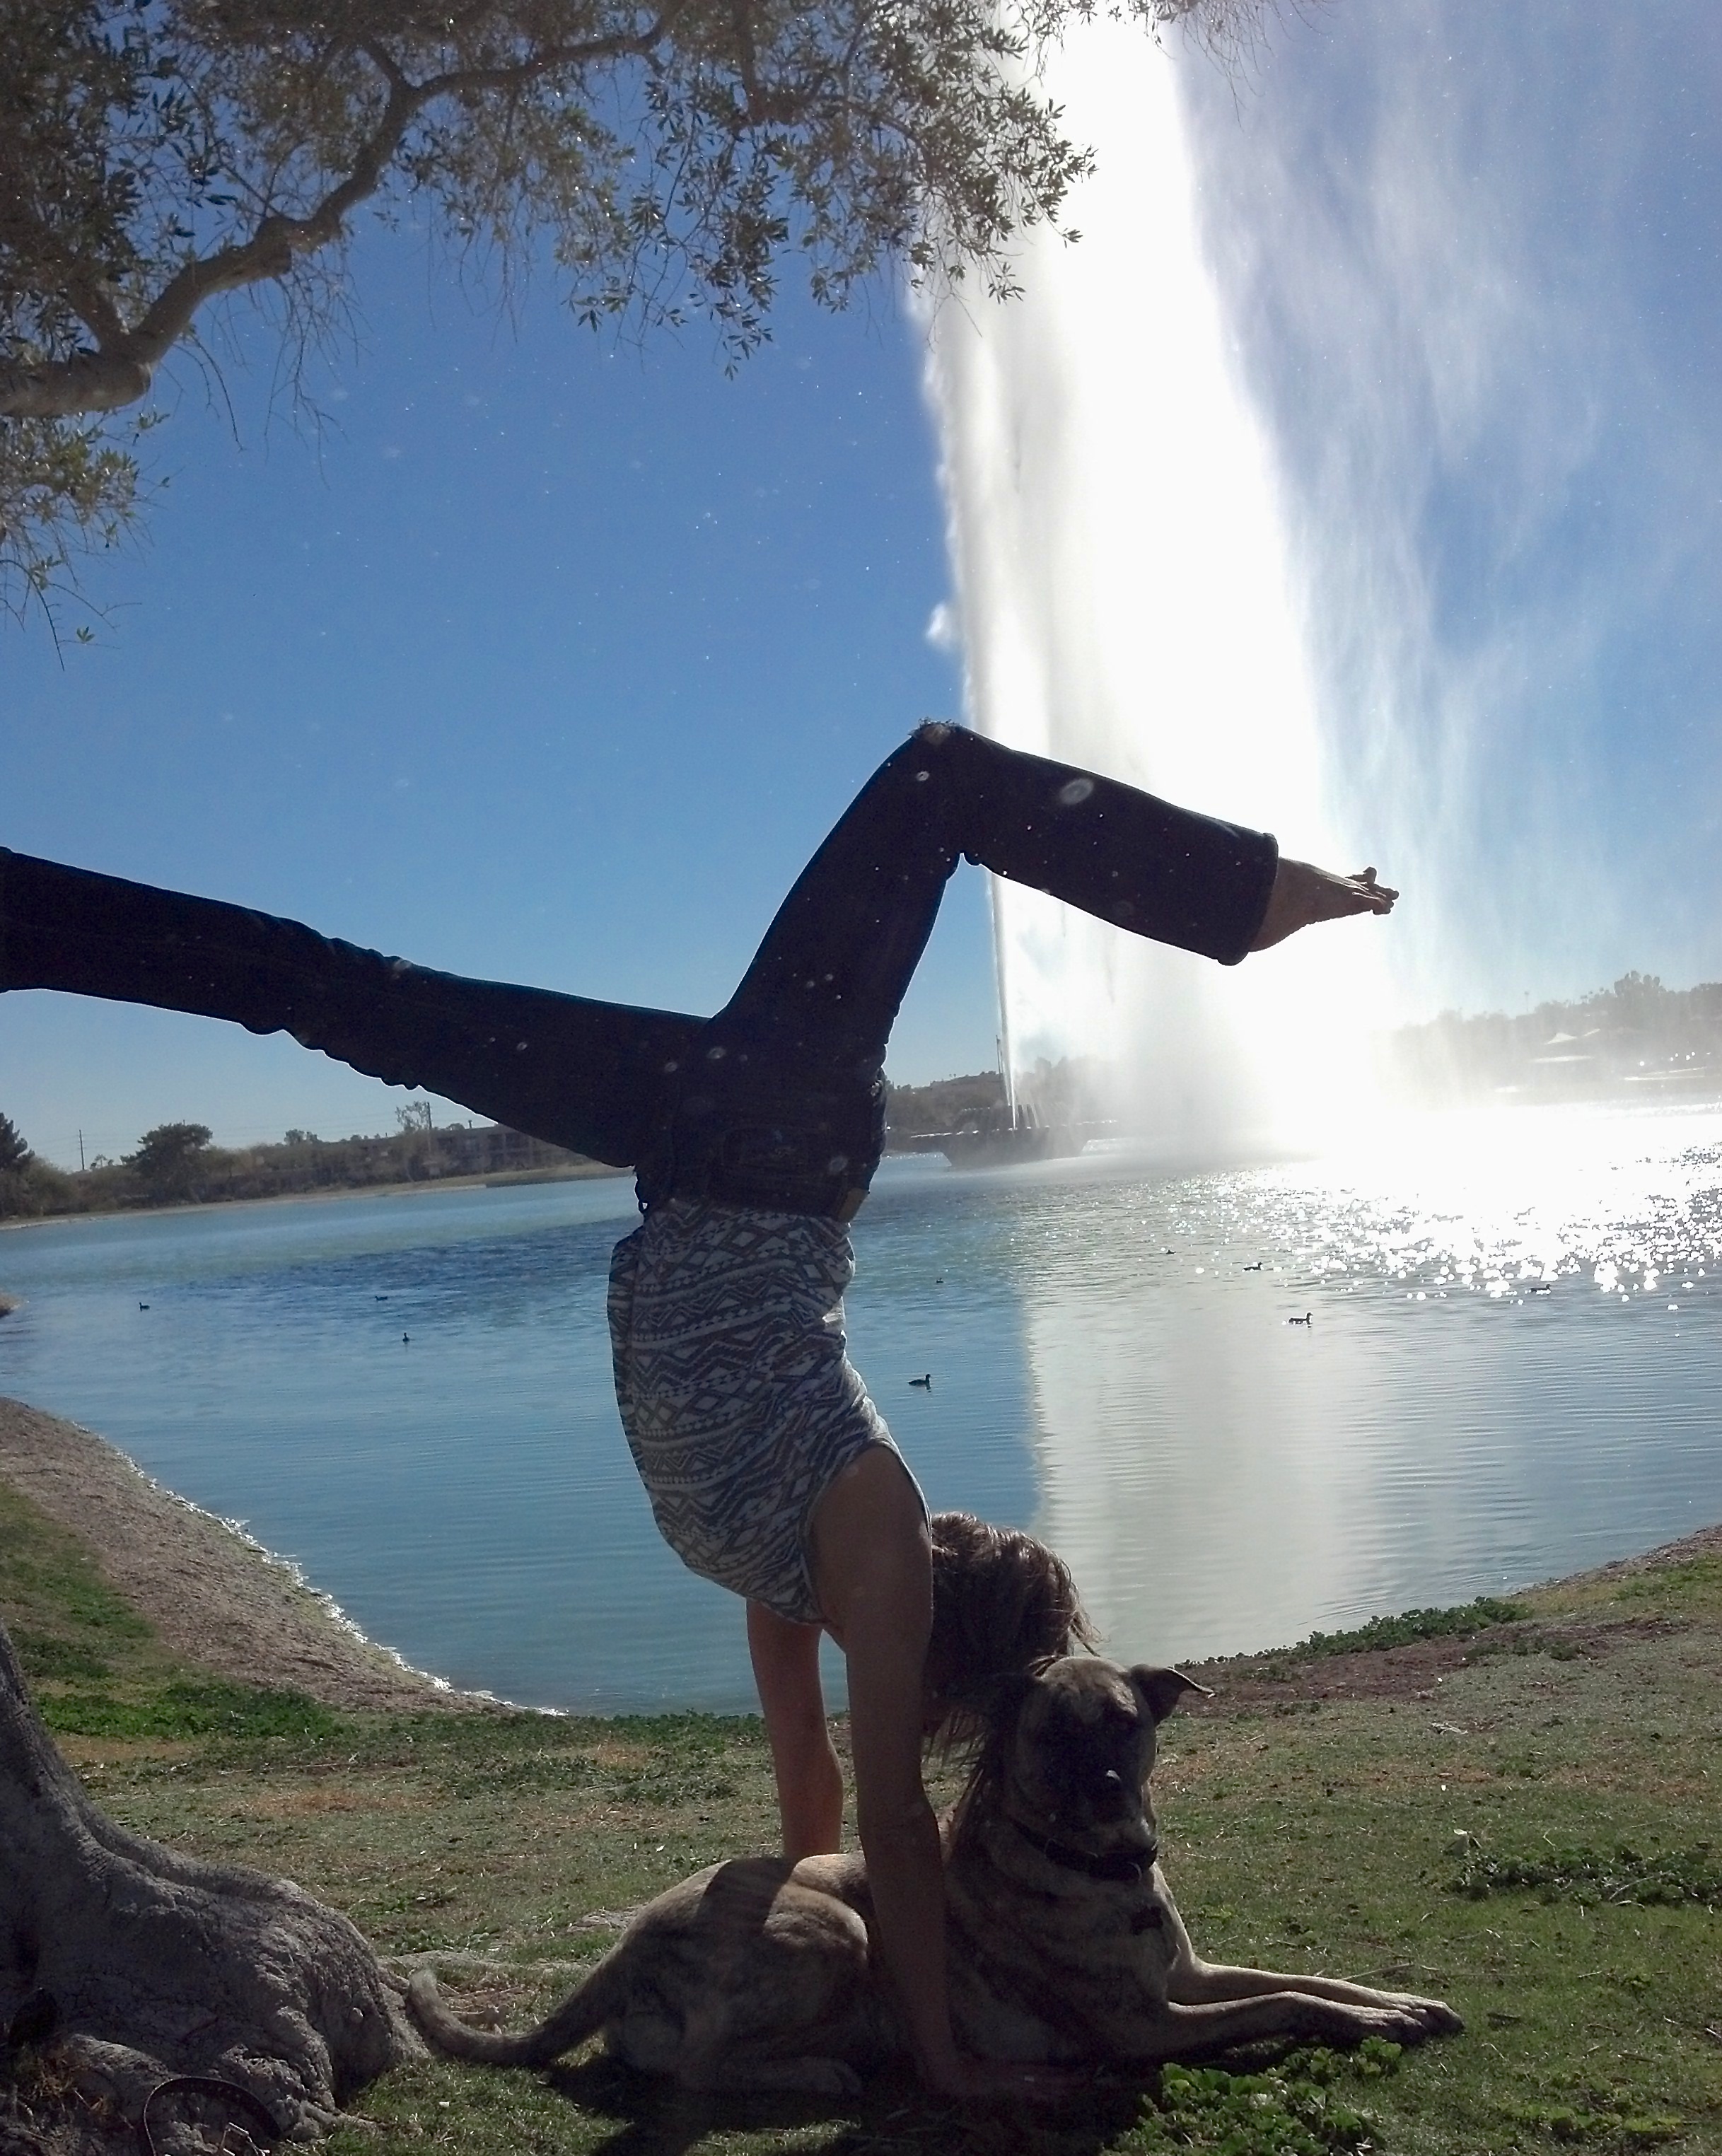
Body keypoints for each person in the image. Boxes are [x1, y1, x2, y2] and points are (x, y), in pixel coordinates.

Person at [0, 719, 1395, 2094]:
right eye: (943, 1709)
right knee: (934, 778)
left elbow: (828, 1796)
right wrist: (941, 2047)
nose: (934, 1733)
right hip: (773, 1132)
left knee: (344, 995)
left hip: (699, 1138)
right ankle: (1247, 895)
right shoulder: (851, 1541)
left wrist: (873, 1993)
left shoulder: (819, 1566)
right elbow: (879, 1811)